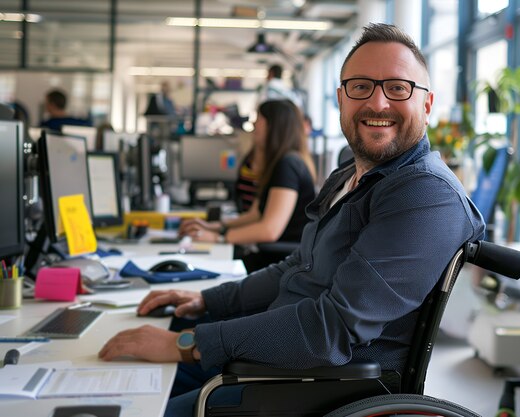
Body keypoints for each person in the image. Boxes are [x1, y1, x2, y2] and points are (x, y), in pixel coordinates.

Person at [98, 23, 485, 416]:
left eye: (398, 88)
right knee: (107, 377)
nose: (378, 103)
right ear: (341, 98)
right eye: (361, 86)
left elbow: (331, 331)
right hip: (272, 359)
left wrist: (191, 343)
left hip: (307, 389)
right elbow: (299, 264)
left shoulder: (425, 196)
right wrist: (205, 300)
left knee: (130, 407)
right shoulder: (350, 175)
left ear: (427, 103)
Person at [178, 99, 316, 272]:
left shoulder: (288, 165)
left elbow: (269, 230)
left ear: (273, 126)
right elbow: (256, 214)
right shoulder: (280, 163)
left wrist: (219, 237)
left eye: (258, 119)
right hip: (273, 257)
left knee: (203, 267)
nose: (254, 125)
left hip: (281, 263)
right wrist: (216, 226)